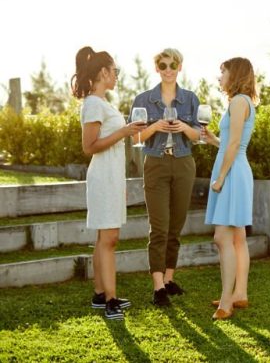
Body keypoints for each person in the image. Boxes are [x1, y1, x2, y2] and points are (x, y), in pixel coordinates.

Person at [72, 46, 146, 320]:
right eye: (115, 71)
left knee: (105, 237)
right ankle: (111, 301)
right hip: (102, 176)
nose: (117, 76)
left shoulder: (102, 103)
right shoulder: (93, 104)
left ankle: (100, 294)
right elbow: (89, 146)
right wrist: (125, 131)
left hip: (111, 176)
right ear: (103, 72)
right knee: (109, 238)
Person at [131, 48, 201, 307]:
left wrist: (184, 127)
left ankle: (170, 279)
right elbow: (134, 137)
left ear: (180, 67)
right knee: (159, 227)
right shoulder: (144, 99)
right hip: (156, 164)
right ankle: (158, 287)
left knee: (176, 225)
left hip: (183, 163)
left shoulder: (191, 99)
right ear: (157, 68)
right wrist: (154, 127)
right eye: (163, 65)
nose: (168, 69)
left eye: (173, 65)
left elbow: (200, 136)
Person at [203, 57, 258, 320]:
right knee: (237, 238)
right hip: (236, 169)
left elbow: (235, 145)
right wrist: (214, 140)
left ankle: (226, 302)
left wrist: (221, 177)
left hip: (233, 173)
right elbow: (229, 143)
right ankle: (240, 293)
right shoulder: (243, 102)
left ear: (233, 74)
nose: (219, 76)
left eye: (222, 71)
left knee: (222, 237)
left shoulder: (238, 101)